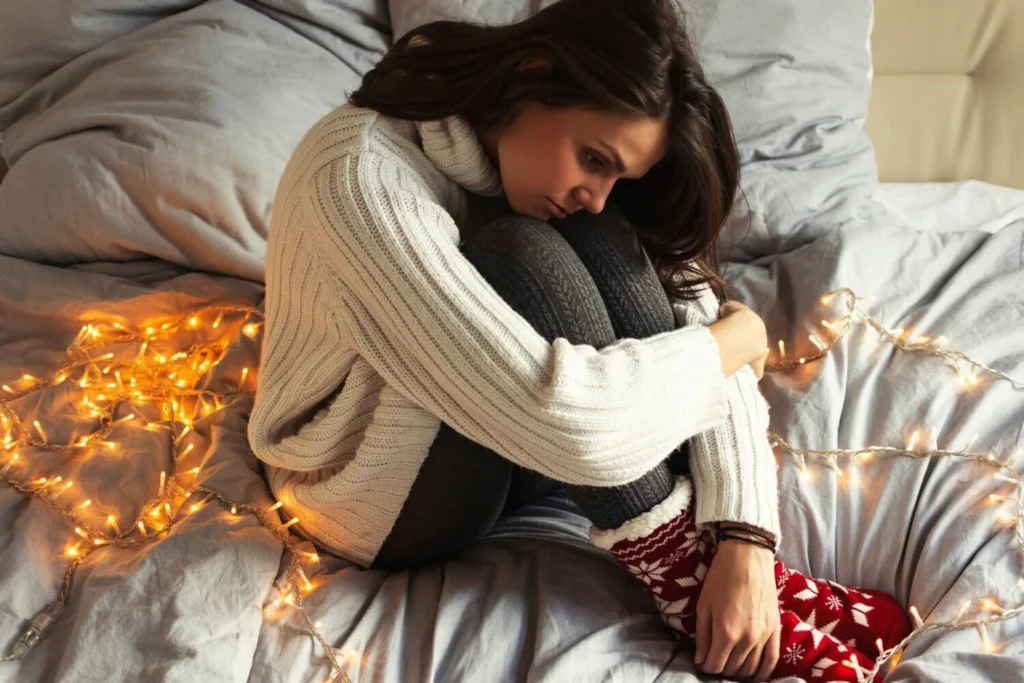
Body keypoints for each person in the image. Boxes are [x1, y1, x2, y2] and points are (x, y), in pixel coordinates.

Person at [248, 0, 911, 680]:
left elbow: (695, 313)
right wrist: (729, 343)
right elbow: (566, 421)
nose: (594, 191)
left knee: (597, 232)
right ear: (535, 74)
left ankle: (713, 560)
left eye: (616, 173)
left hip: (518, 441)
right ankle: (678, 569)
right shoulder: (359, 178)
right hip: (368, 491)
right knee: (518, 253)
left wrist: (746, 538)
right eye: (593, 158)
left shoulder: (544, 173)